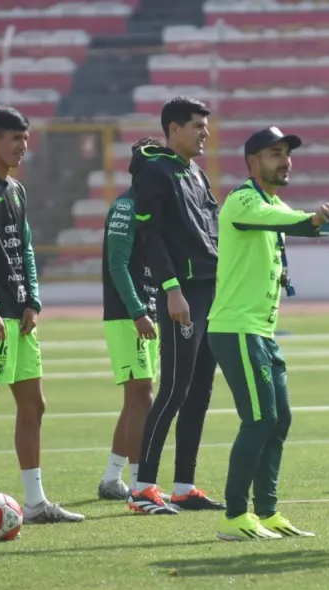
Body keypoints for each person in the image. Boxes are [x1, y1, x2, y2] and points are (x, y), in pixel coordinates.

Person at [209, 126, 329, 540]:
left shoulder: (271, 202)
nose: (285, 160)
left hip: (260, 332)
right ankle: (233, 517)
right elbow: (304, 223)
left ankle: (266, 512)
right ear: (253, 162)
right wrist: (320, 216)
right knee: (259, 421)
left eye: (287, 153)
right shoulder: (242, 199)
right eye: (274, 153)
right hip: (237, 329)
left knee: (279, 421)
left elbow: (316, 226)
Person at [0, 105, 84, 525]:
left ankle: (36, 501)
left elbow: (24, 247)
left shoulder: (16, 190)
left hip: (18, 314)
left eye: (26, 139)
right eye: (15, 139)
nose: (23, 147)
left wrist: (33, 300)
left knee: (34, 404)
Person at [126, 96, 225, 515]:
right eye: (197, 126)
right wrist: (171, 288)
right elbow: (151, 239)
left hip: (210, 291)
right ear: (174, 129)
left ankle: (183, 486)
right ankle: (141, 488)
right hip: (182, 292)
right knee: (174, 390)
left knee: (200, 391)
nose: (205, 133)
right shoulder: (154, 171)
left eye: (206, 126)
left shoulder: (196, 173)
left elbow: (212, 231)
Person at [97, 135, 166, 501]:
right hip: (128, 314)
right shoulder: (126, 207)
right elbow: (118, 264)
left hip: (142, 309)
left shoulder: (147, 206)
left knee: (135, 398)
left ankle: (112, 478)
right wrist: (138, 310)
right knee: (143, 395)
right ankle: (141, 482)